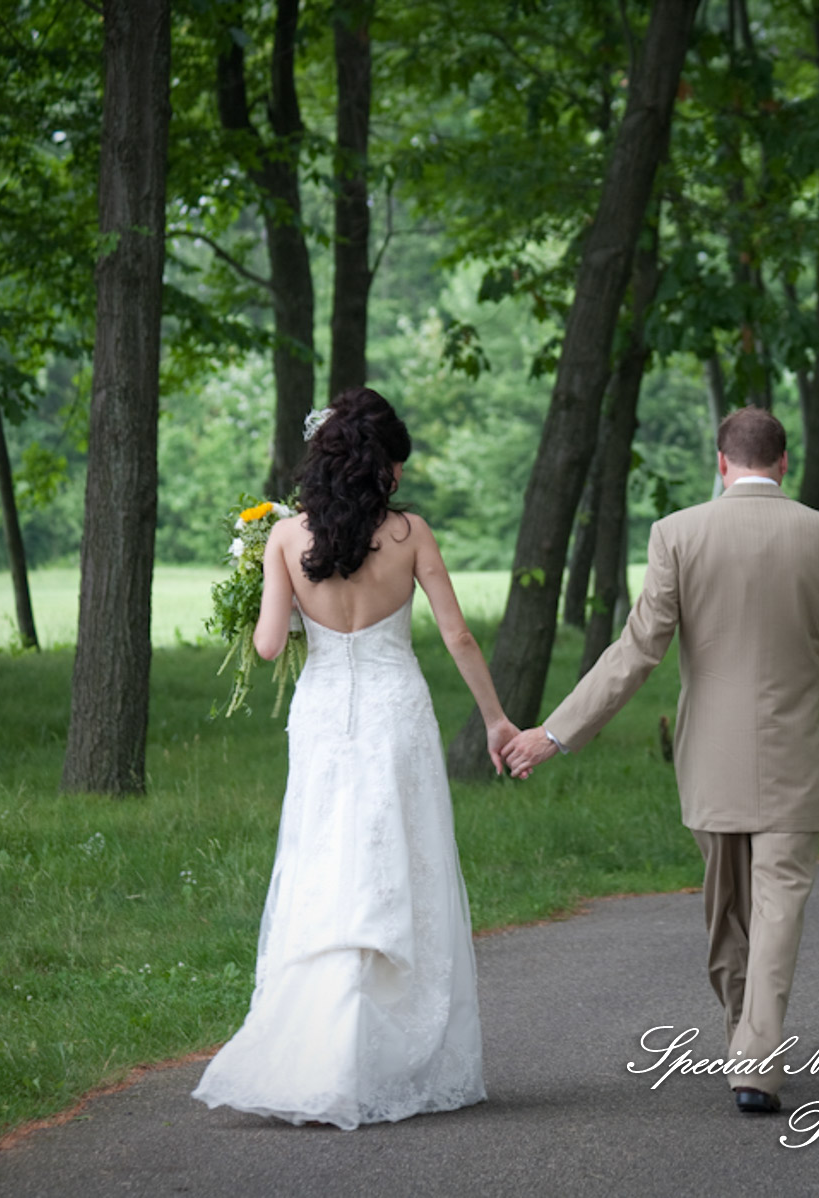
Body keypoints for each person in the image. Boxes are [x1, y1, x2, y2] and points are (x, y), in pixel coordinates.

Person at [502, 406, 819, 1116]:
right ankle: (749, 1045)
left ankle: (754, 1057)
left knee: (727, 909)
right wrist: (801, 704)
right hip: (794, 752)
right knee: (778, 906)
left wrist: (557, 732)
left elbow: (638, 650)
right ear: (783, 463)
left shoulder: (678, 534)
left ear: (722, 463)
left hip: (710, 758)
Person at [192, 387, 519, 1130]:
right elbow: (459, 637)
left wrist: (269, 594)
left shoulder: (284, 538)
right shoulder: (410, 536)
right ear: (384, 470)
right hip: (395, 713)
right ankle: (388, 1051)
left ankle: (318, 1047)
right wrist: (496, 720)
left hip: (323, 718)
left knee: (326, 863)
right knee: (398, 864)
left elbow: (270, 645)